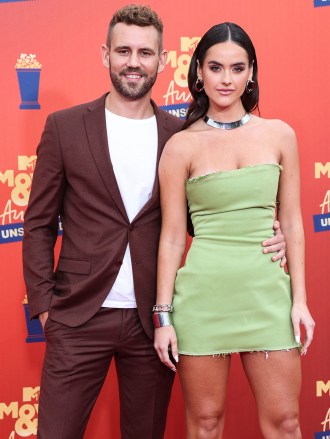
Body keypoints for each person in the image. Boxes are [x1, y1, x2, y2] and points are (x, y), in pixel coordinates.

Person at [22, 6, 287, 439]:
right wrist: (47, 308)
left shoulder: (181, 135)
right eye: (123, 50)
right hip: (78, 316)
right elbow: (37, 225)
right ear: (104, 54)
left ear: (163, 61)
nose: (133, 61)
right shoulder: (64, 127)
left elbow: (204, 220)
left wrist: (265, 233)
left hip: (156, 322)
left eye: (145, 53)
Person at [154, 22, 315, 439]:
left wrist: (299, 301)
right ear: (198, 74)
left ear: (251, 73)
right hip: (203, 299)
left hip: (267, 293)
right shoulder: (180, 146)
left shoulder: (280, 135)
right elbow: (172, 236)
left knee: (286, 423)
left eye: (237, 68)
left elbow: (293, 221)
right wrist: (164, 316)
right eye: (216, 67)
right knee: (205, 424)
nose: (227, 79)